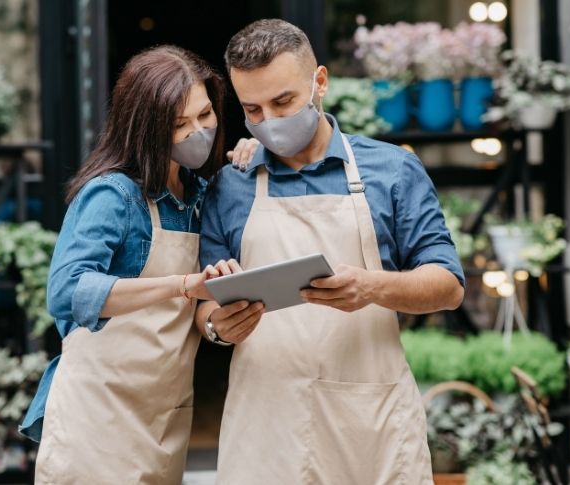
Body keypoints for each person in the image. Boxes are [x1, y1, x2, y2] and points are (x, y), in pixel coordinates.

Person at [196, 20, 466, 484]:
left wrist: (372, 286)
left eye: (283, 102)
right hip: (266, 428)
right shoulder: (230, 184)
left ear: (319, 81)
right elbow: (205, 303)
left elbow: (448, 286)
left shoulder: (393, 170)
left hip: (370, 424)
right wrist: (217, 327)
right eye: (252, 110)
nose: (269, 121)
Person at [19, 45, 261, 484]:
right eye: (179, 124)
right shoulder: (114, 195)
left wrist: (255, 159)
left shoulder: (202, 195)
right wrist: (185, 285)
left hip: (164, 414)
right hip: (97, 417)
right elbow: (68, 292)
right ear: (146, 128)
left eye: (205, 116)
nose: (198, 132)